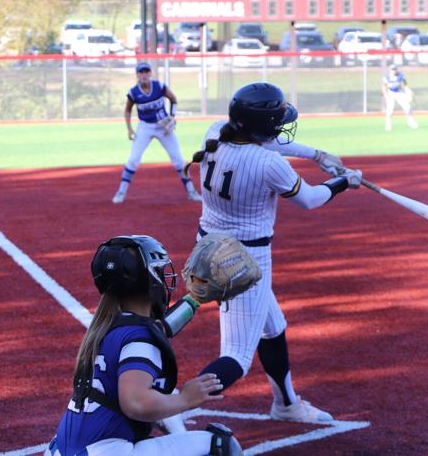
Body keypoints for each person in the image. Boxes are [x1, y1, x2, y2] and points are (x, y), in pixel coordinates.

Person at [183, 82, 362, 423]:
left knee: (273, 326)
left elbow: (272, 141)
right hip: (244, 261)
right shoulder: (268, 163)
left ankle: (286, 403)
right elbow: (309, 200)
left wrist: (318, 155)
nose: (281, 127)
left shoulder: (216, 132)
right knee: (235, 358)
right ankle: (168, 409)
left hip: (208, 245)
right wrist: (344, 182)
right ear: (264, 128)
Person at [46, 234, 248, 456]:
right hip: (103, 452)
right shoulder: (140, 338)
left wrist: (194, 300)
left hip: (67, 449)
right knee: (219, 445)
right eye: (160, 272)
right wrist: (185, 400)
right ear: (149, 282)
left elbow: (160, 329)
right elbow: (135, 403)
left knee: (161, 400)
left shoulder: (107, 325)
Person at [112, 62, 202, 204]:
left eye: (146, 71)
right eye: (141, 72)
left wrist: (172, 116)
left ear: (150, 73)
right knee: (133, 159)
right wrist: (129, 128)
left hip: (163, 127)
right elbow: (128, 110)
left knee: (178, 160)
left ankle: (191, 191)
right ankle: (121, 192)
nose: (144, 75)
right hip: (145, 127)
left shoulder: (159, 86)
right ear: (137, 75)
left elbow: (173, 99)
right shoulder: (134, 92)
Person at [382, 64, 418, 132]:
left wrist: (408, 90)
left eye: (395, 69)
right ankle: (388, 125)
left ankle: (410, 122)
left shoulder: (400, 75)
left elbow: (405, 83)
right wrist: (385, 95)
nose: (393, 71)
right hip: (390, 94)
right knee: (390, 110)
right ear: (389, 70)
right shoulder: (386, 77)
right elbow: (384, 86)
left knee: (407, 107)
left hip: (399, 93)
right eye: (392, 69)